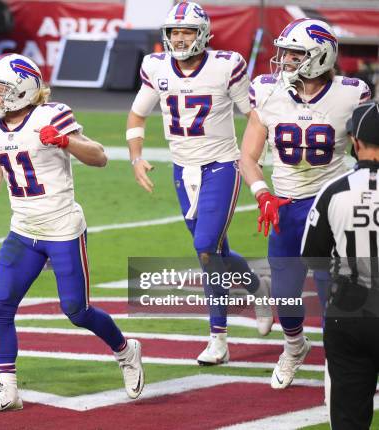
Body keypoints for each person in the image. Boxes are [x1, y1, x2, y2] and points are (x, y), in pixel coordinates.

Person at [0, 53, 144, 412]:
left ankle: (126, 350)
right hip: (23, 230)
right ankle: (9, 389)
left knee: (76, 311)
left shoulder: (51, 114)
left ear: (21, 90)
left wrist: (66, 142)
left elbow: (100, 156)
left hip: (62, 228)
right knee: (0, 306)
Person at [126, 1, 272, 366]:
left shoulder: (226, 66)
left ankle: (218, 339)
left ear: (203, 34)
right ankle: (260, 289)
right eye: (174, 32)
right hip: (182, 169)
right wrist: (136, 156)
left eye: (186, 31)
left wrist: (257, 157)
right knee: (217, 252)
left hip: (222, 164)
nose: (179, 38)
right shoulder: (156, 66)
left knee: (206, 247)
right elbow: (137, 113)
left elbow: (251, 114)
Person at [239, 19, 371, 389]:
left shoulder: (350, 94)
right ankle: (294, 346)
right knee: (285, 294)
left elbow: (368, 150)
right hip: (284, 205)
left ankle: (339, 361)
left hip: (330, 205)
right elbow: (248, 157)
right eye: (284, 53)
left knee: (336, 292)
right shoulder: (267, 92)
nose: (283, 61)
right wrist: (261, 193)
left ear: (320, 55)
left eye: (294, 54)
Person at [301, 101, 379, 429]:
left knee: (348, 418)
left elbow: (312, 254)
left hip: (350, 314)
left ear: (355, 142)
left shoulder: (333, 191)